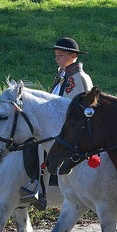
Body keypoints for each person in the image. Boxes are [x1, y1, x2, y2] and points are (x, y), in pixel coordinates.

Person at [20, 37, 93, 208]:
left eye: (60, 55)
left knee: (41, 143)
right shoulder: (62, 76)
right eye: (56, 55)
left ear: (73, 55)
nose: (57, 58)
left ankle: (41, 188)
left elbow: (77, 107)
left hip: (69, 129)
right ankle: (36, 183)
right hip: (56, 125)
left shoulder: (79, 78)